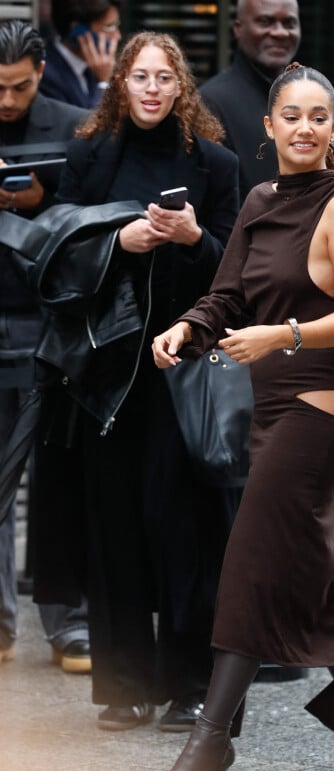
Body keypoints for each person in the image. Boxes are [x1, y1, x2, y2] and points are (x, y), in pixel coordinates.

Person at [142, 62, 334, 771]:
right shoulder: (260, 200)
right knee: (313, 579)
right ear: (268, 127)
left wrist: (282, 335)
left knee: (250, 564)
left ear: (333, 128)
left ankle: (210, 743)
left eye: (317, 117)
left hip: (324, 413)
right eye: (290, 116)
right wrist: (188, 327)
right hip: (273, 408)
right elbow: (228, 294)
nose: (303, 128)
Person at [48, 31, 240, 731]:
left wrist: (192, 239)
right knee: (115, 526)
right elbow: (57, 251)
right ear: (120, 85)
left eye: (164, 78)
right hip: (109, 373)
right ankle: (124, 685)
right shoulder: (89, 157)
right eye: (140, 77)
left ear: (180, 87)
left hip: (183, 369)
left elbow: (234, 271)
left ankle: (191, 683)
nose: (153, 88)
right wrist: (114, 242)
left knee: (184, 528)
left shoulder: (214, 165)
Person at [0, 19, 91, 672]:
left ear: (40, 74)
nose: (7, 101)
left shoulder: (73, 122)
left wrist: (44, 198)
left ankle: (70, 623)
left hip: (52, 318)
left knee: (60, 480)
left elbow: (94, 209)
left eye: (20, 88)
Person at [200, 0, 301, 201]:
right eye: (265, 22)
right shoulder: (210, 103)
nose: (280, 32)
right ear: (238, 29)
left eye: (289, 23)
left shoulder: (307, 97)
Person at [39, 0, 121, 109]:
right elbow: (87, 124)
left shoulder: (98, 65)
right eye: (109, 27)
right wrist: (104, 84)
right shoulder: (46, 75)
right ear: (78, 31)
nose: (117, 36)